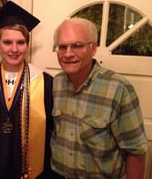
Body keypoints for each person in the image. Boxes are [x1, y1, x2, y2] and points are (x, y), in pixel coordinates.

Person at [50, 17, 149, 178]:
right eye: (62, 47)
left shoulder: (118, 88)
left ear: (93, 48)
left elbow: (136, 151)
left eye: (77, 46)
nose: (68, 54)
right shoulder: (55, 84)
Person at [0, 1, 54, 179]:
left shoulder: (44, 81)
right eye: (7, 42)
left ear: (27, 45)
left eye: (20, 42)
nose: (14, 49)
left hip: (31, 170)